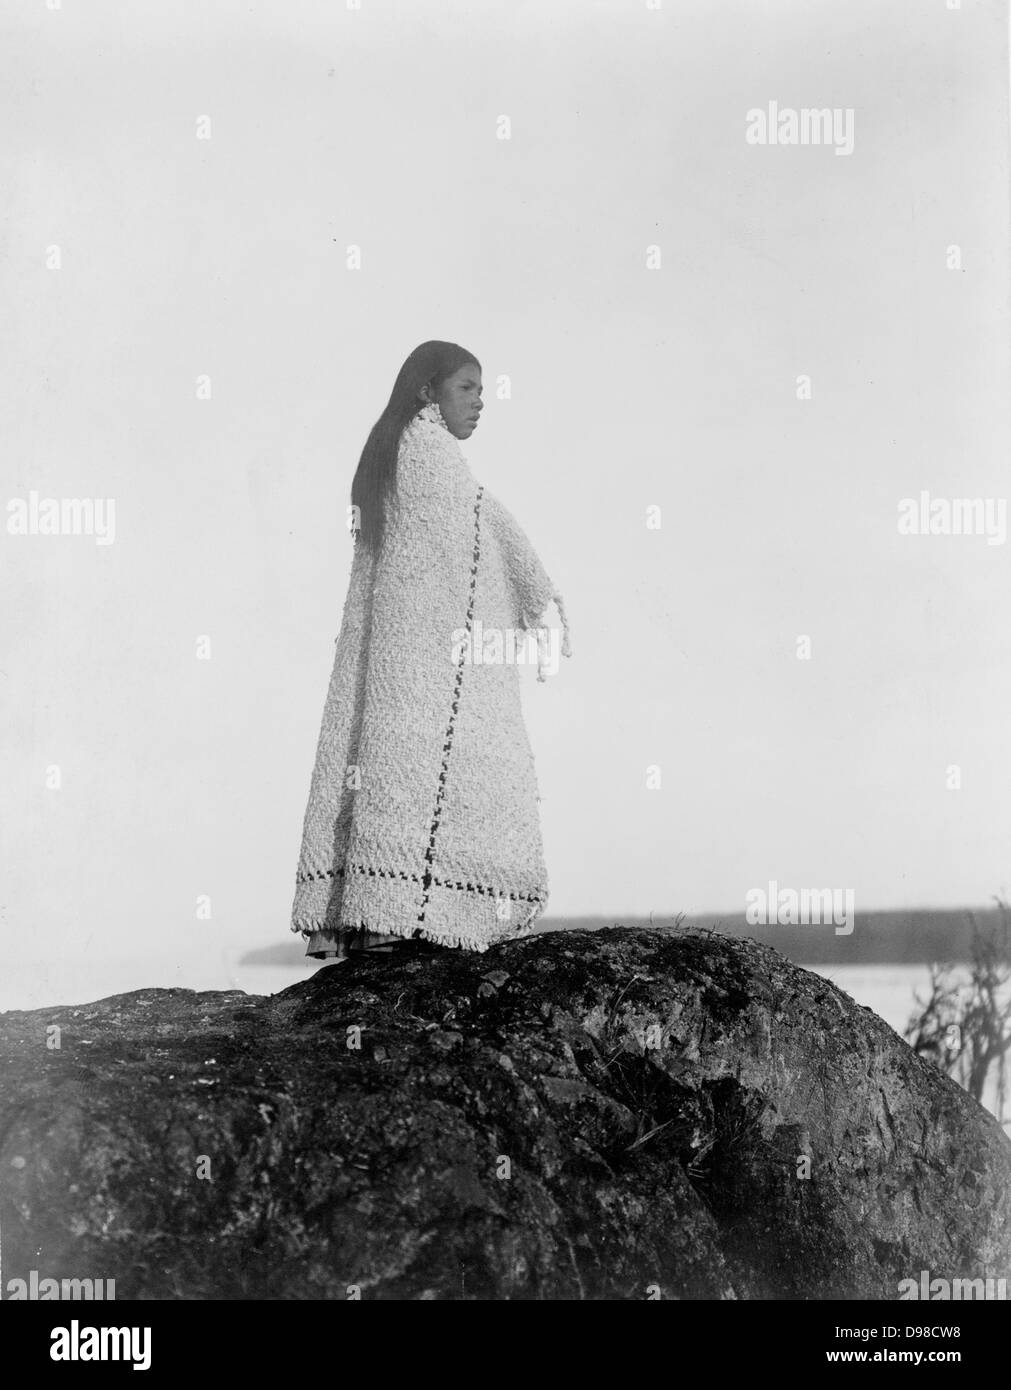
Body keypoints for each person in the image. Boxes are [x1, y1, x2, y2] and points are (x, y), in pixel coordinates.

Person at [291, 341, 570, 963]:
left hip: (399, 661)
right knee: (422, 774)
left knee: (395, 778)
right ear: (428, 393)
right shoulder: (427, 455)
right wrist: (537, 596)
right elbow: (485, 529)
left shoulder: (394, 452)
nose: (479, 403)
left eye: (483, 391)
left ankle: (378, 917)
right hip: (417, 666)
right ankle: (397, 916)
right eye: (467, 388)